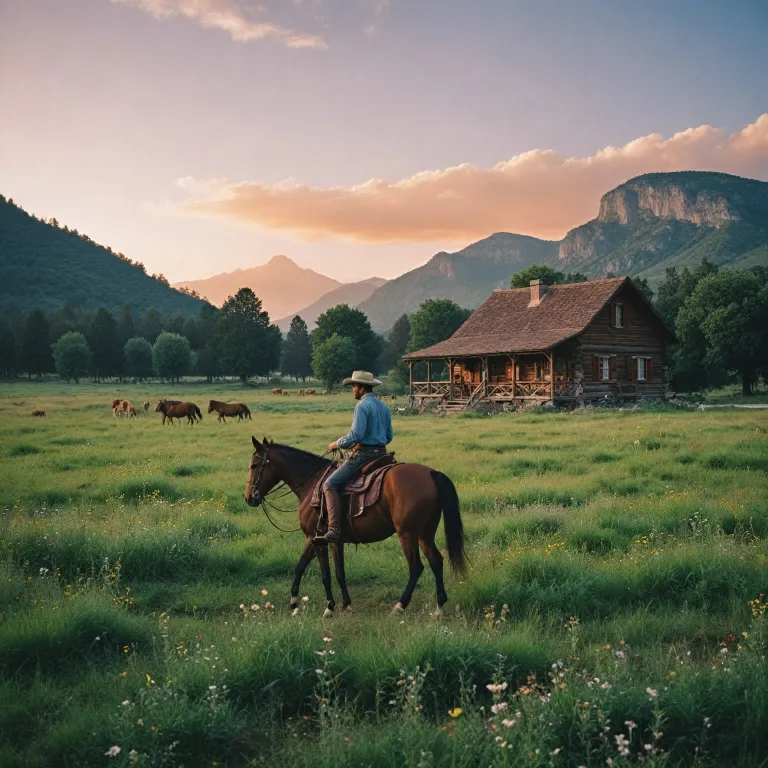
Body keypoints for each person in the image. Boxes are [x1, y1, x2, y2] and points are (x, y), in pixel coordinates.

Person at [314, 370, 394, 543]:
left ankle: (334, 529)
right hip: (382, 455)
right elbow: (389, 437)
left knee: (330, 484)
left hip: (364, 455)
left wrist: (336, 444)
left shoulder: (362, 406)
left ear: (361, 388)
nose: (352, 390)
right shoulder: (383, 406)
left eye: (353, 386)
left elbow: (355, 435)